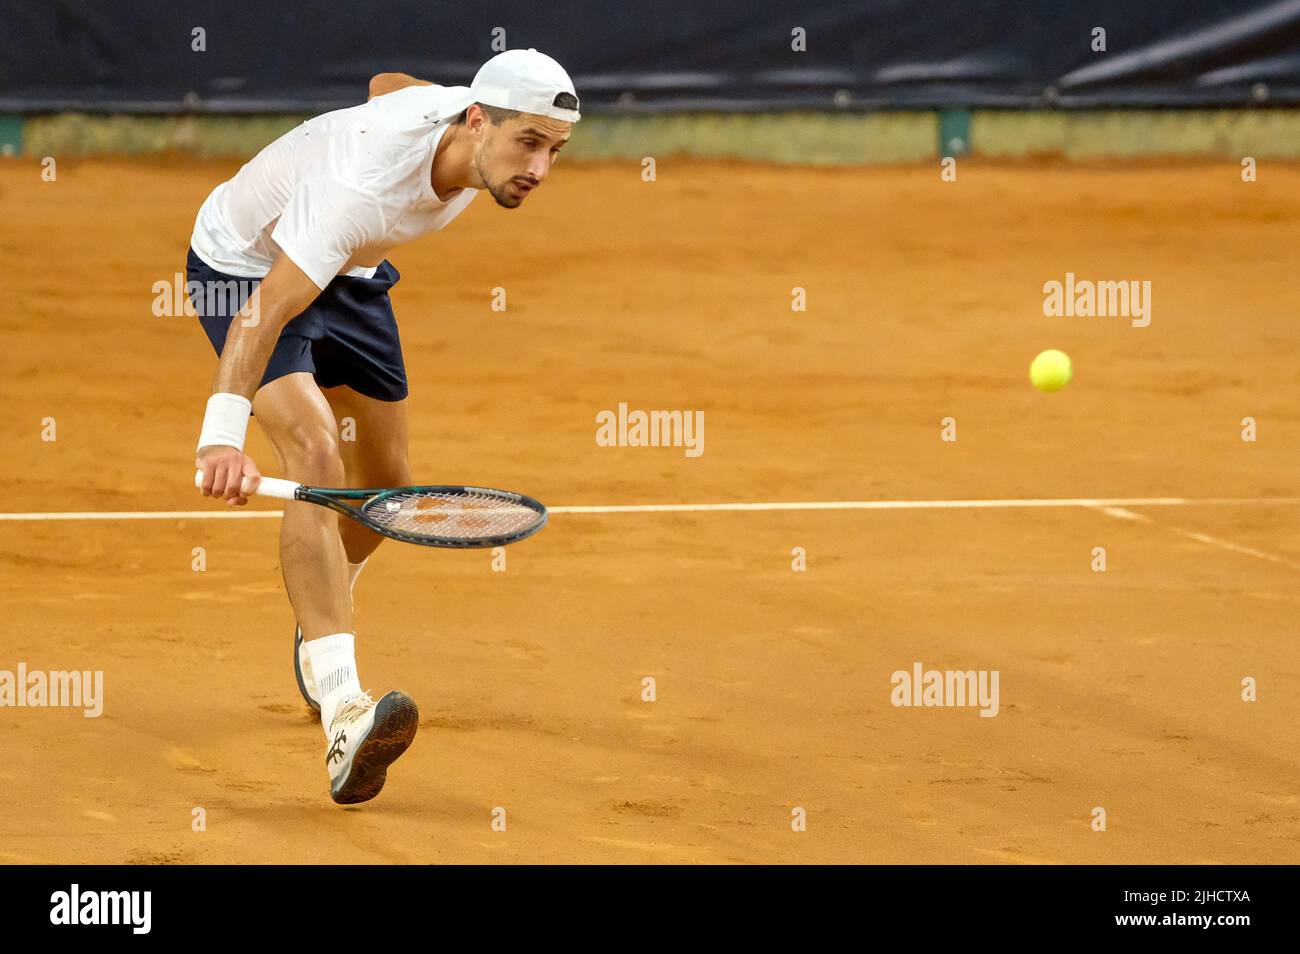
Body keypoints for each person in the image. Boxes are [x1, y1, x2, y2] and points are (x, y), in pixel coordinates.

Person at [189, 49, 579, 804]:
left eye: (554, 149)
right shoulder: (359, 188)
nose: (540, 167)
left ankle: (319, 619)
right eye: (528, 141)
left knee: (388, 488)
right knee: (311, 453)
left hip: (353, 272)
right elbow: (264, 311)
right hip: (247, 266)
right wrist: (221, 433)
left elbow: (384, 87)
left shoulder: (454, 117)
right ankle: (344, 709)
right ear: (477, 120)